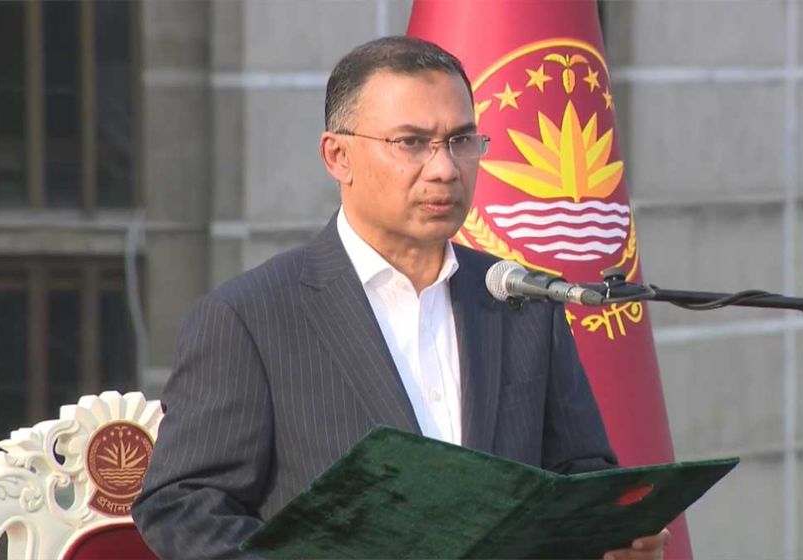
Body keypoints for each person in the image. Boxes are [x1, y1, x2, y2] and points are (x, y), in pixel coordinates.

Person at [132, 36, 668, 560]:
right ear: (338, 156)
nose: (445, 169)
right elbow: (182, 505)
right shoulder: (248, 318)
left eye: (461, 140)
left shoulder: (523, 299)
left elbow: (579, 473)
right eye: (411, 142)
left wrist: (614, 535)